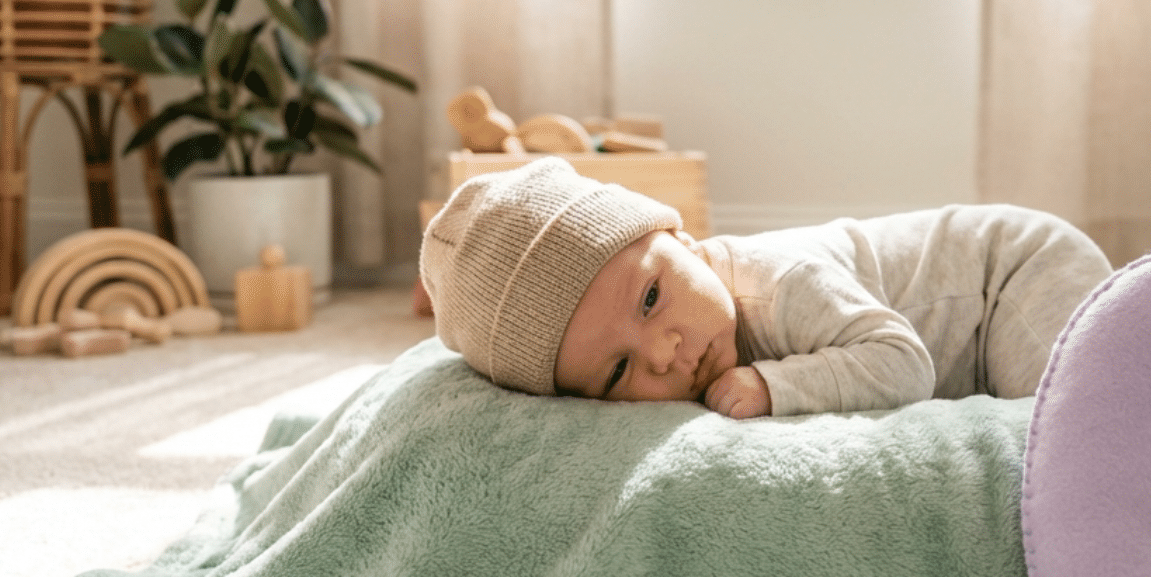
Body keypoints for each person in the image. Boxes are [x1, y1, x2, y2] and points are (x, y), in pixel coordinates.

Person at [419, 156, 1113, 418]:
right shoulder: (688, 338)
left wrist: (776, 387)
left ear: (682, 237)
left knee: (1081, 420)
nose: (661, 353)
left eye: (651, 298)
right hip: (993, 297)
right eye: (617, 371)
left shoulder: (779, 287)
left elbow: (904, 363)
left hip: (1012, 274)